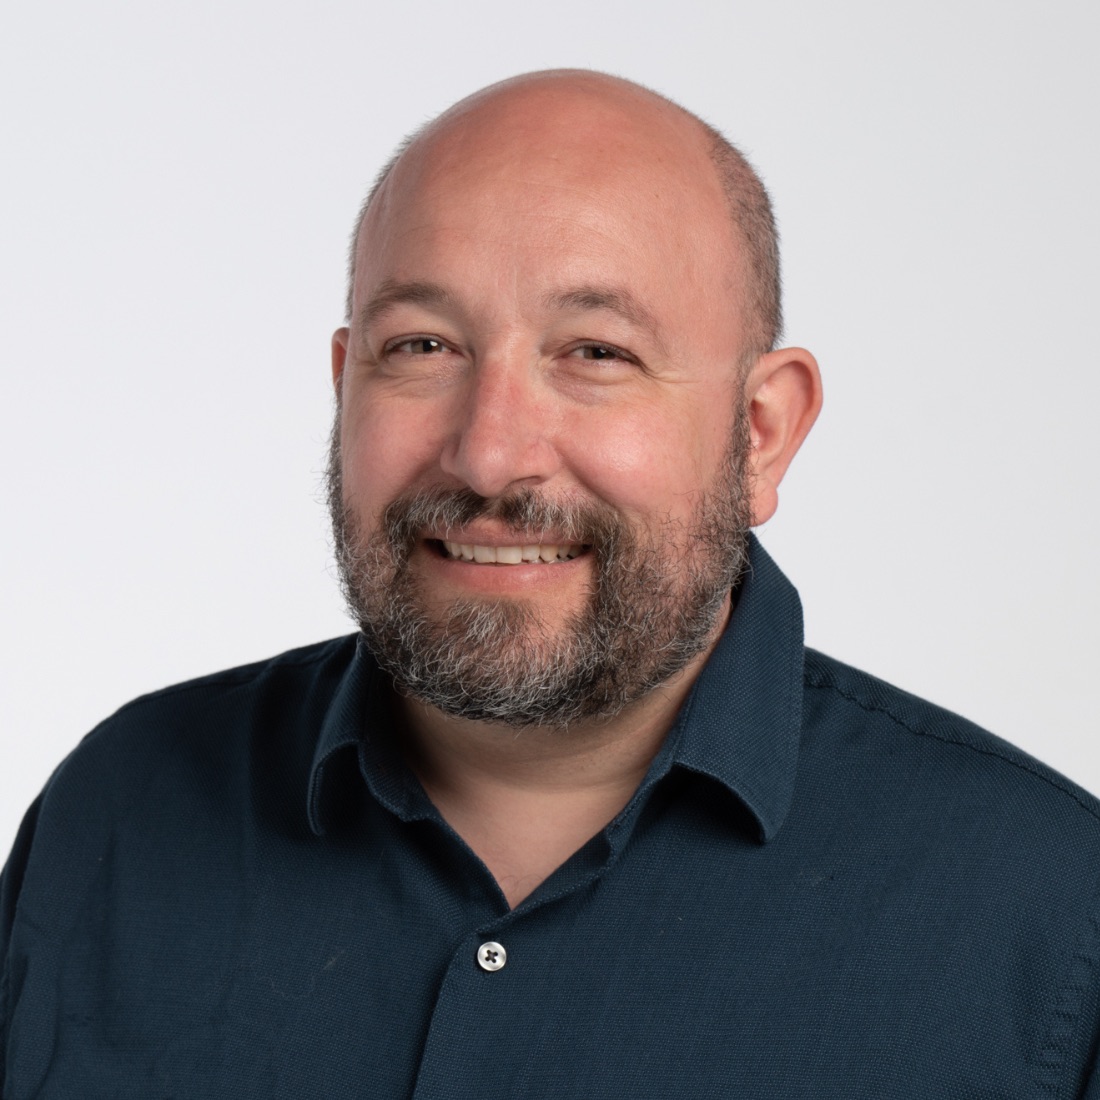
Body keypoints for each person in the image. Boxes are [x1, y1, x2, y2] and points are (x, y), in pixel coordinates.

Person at [2, 69, 1098, 1098]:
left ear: (760, 432)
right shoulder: (116, 815)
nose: (488, 457)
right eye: (422, 347)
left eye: (596, 353)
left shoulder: (1048, 920)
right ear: (346, 388)